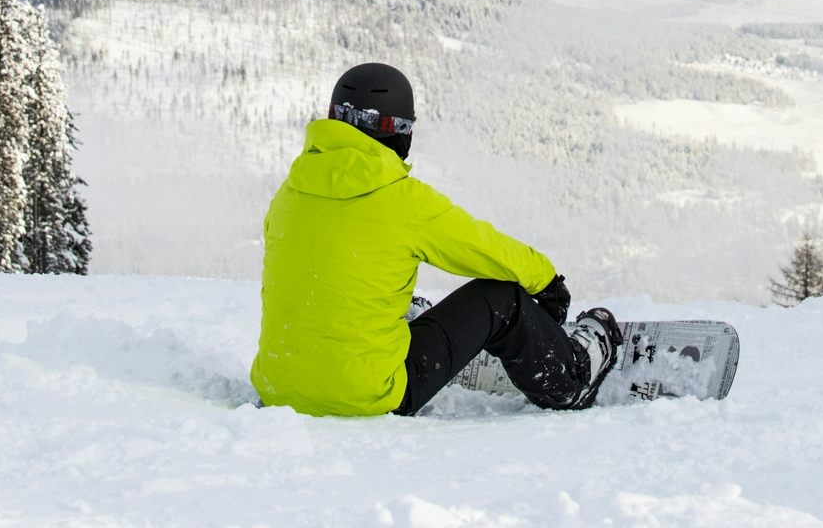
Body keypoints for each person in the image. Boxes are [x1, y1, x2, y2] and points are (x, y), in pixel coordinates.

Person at [250, 62, 623, 417]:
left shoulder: (289, 194)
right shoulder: (404, 201)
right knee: (502, 298)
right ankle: (572, 378)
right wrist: (546, 282)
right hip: (369, 395)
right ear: (401, 131)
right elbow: (485, 249)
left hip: (277, 387)